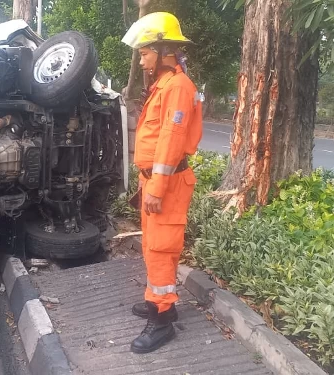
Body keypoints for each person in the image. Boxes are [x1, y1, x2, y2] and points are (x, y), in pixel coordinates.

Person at [121, 12, 203, 353]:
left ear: (163, 49)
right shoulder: (164, 86)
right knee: (152, 246)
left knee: (161, 248)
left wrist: (155, 187)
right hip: (154, 180)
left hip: (165, 183)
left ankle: (163, 318)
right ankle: (156, 300)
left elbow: (171, 140)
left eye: (144, 52)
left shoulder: (178, 88)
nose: (141, 60)